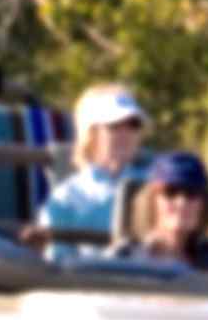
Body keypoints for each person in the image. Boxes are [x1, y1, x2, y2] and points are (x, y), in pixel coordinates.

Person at [25, 84, 149, 258]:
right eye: (113, 125)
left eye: (133, 124)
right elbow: (58, 266)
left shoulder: (159, 188)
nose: (125, 132)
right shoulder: (66, 199)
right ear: (91, 134)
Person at [108, 151, 208, 272]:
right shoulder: (124, 257)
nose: (182, 202)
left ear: (204, 203)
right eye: (170, 192)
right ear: (151, 201)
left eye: (192, 193)